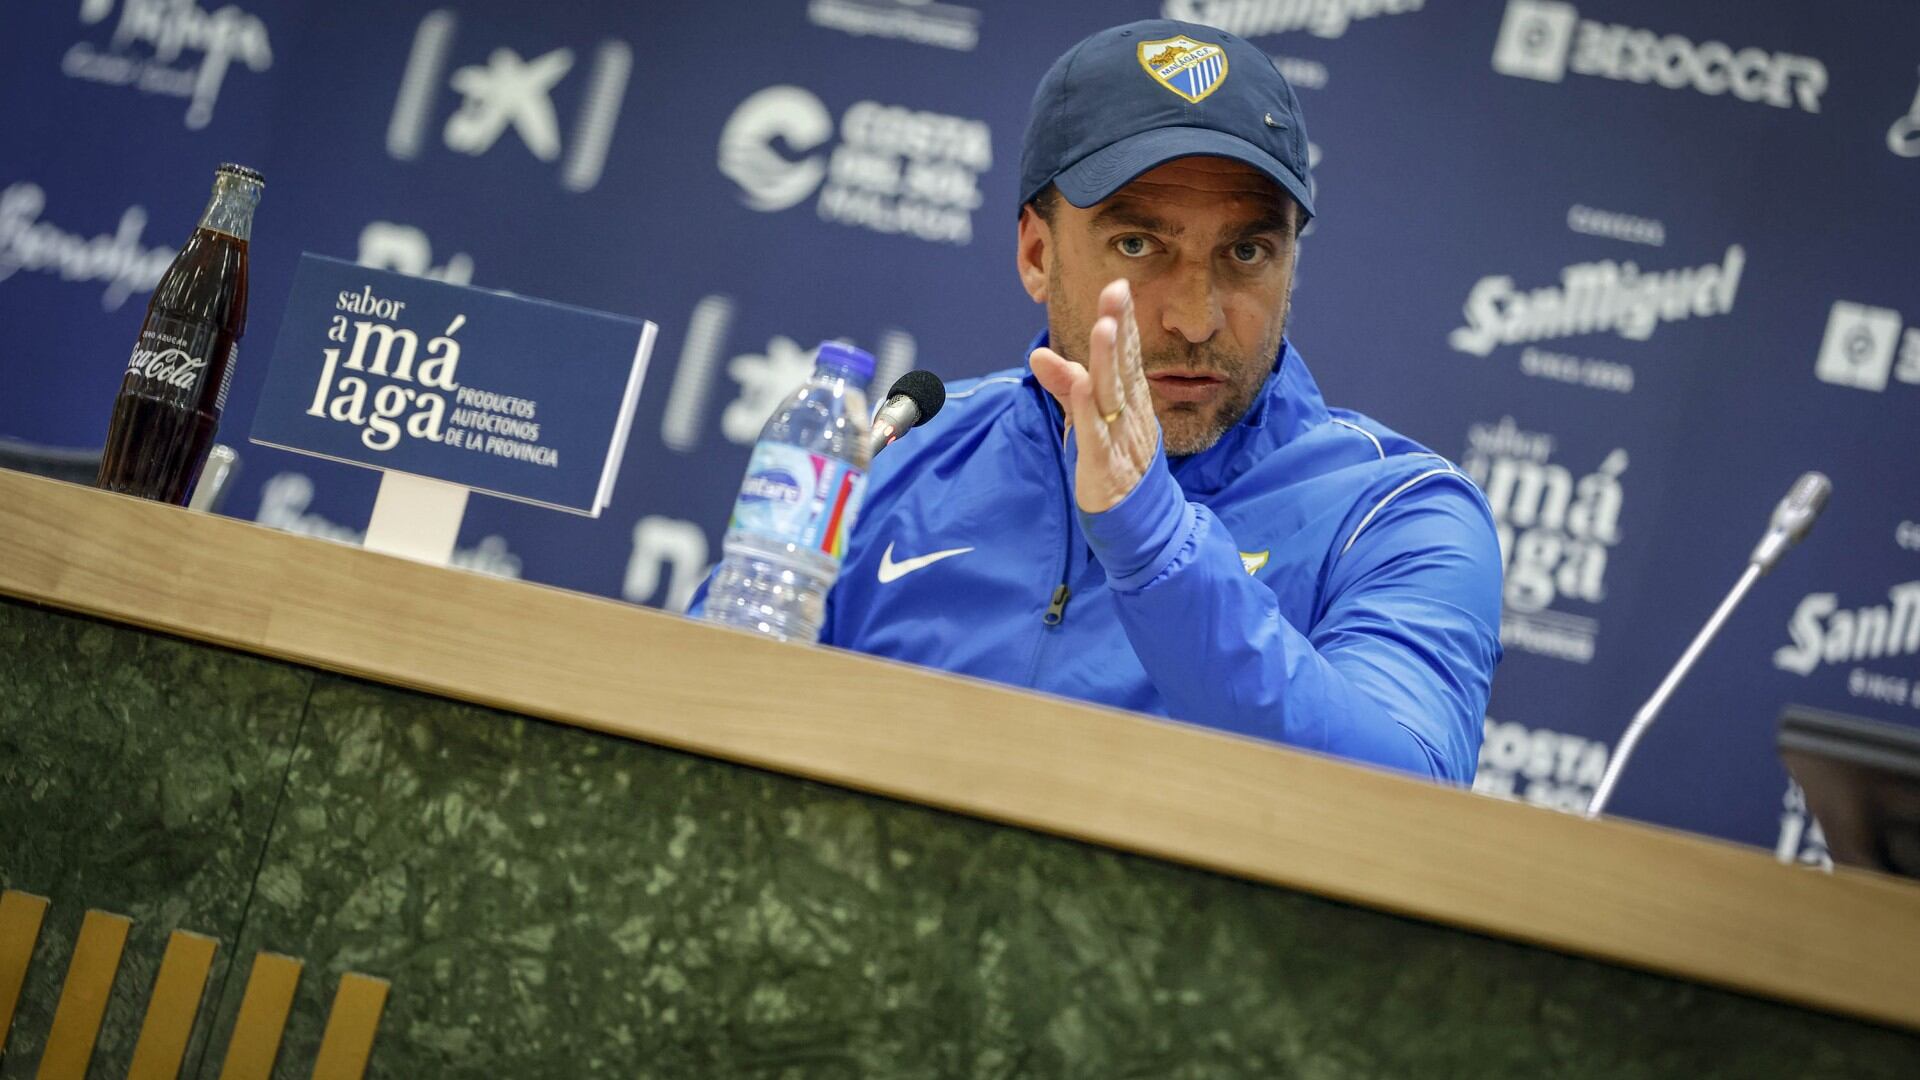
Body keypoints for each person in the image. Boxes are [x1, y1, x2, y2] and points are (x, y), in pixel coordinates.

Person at [698, 18, 1504, 783]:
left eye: (1248, 250)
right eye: (1137, 245)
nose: (1196, 317)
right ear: (1037, 252)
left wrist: (1159, 548)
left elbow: (1403, 804)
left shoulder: (1397, 515)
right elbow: (700, 718)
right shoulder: (903, 457)